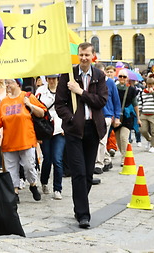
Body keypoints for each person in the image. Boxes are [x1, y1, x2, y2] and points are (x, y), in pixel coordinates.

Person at [55, 42, 108, 229]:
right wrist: (70, 119)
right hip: (74, 131)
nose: (84, 58)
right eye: (81, 55)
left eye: (87, 55)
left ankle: (79, 206)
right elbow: (59, 103)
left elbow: (101, 101)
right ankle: (84, 214)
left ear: (93, 56)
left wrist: (80, 92)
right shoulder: (68, 75)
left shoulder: (99, 76)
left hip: (93, 130)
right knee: (78, 172)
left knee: (87, 175)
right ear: (78, 56)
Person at [0, 78, 45, 202]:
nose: (8, 85)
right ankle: (14, 192)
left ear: (18, 84)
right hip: (9, 142)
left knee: (29, 166)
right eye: (7, 83)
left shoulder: (27, 96)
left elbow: (41, 113)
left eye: (10, 82)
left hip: (26, 139)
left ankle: (33, 184)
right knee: (11, 169)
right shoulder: (4, 102)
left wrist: (30, 105)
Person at [36, 74, 65, 200]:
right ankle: (44, 181)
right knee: (47, 158)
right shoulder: (40, 91)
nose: (52, 81)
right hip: (45, 129)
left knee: (57, 159)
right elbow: (36, 110)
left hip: (60, 129)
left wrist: (67, 126)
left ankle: (57, 188)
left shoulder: (63, 91)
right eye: (50, 79)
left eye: (54, 79)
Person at [94, 63, 121, 174]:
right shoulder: (93, 82)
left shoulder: (110, 83)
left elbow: (116, 100)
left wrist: (117, 117)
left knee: (101, 140)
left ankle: (98, 164)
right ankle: (107, 160)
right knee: (98, 140)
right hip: (95, 115)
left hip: (106, 116)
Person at [114, 69, 141, 163]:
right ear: (118, 77)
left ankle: (124, 158)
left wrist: (138, 118)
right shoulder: (114, 88)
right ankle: (124, 154)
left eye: (124, 77)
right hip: (116, 116)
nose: (122, 78)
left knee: (124, 137)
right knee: (118, 139)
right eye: (120, 76)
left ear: (127, 79)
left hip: (127, 116)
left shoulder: (132, 90)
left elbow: (135, 104)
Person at [138, 77, 154, 153]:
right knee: (143, 130)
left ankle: (153, 145)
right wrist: (139, 113)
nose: (150, 87)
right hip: (144, 114)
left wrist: (153, 93)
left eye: (151, 85)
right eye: (148, 85)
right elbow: (140, 103)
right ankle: (150, 140)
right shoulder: (142, 92)